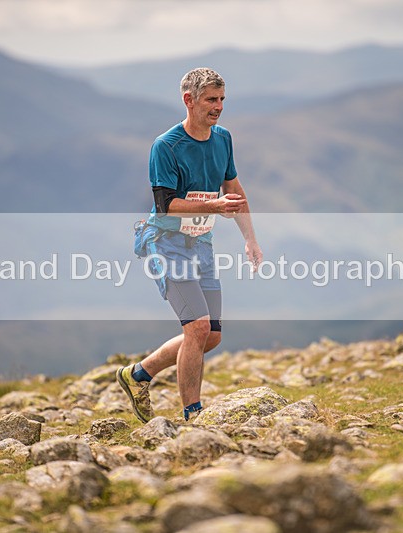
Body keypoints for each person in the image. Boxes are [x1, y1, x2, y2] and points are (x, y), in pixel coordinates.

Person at [117, 67, 262, 423]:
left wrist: (250, 238)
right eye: (211, 99)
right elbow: (167, 204)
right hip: (165, 243)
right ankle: (193, 416)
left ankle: (138, 375)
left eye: (222, 99)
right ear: (189, 100)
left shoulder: (223, 138)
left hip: (201, 243)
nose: (218, 107)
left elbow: (234, 189)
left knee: (210, 335)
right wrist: (213, 206)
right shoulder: (166, 146)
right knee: (196, 327)